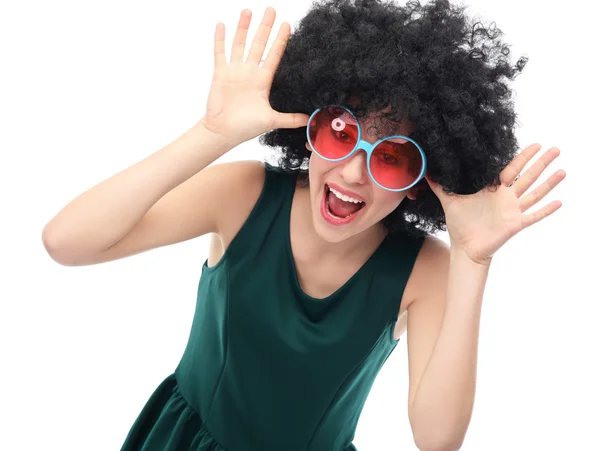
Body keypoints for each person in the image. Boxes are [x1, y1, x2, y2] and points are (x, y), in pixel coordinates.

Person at [41, 0, 566, 449]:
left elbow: (436, 438)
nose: (353, 172)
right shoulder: (244, 194)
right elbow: (65, 241)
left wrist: (473, 260)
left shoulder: (424, 269)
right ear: (311, 123)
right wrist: (211, 134)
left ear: (423, 179)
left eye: (393, 157)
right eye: (341, 131)